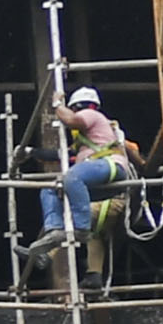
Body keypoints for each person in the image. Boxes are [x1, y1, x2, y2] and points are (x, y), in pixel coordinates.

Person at [30, 88, 138, 269]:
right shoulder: (86, 140)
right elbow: (59, 154)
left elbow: (71, 120)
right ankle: (53, 231)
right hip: (95, 175)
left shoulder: (92, 115)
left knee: (71, 177)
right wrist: (29, 152)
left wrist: (57, 104)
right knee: (51, 188)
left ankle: (81, 228)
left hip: (109, 166)